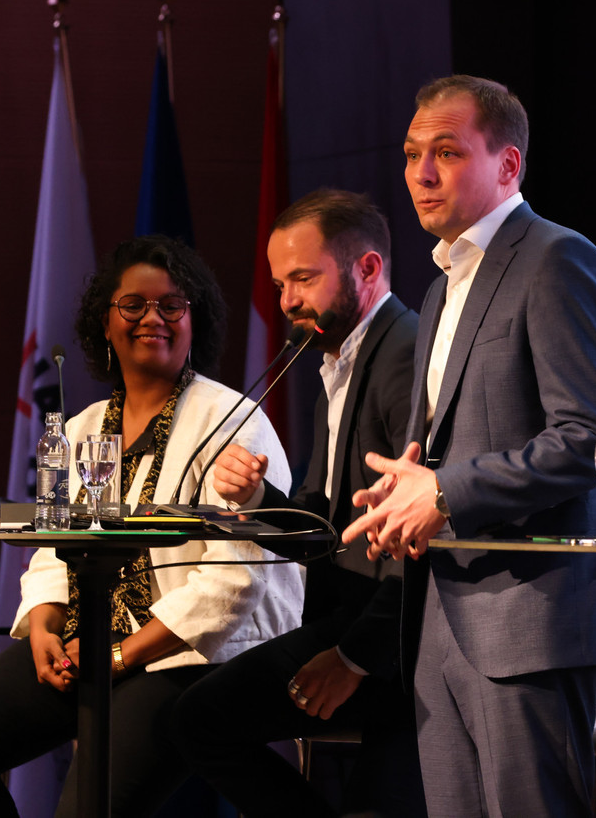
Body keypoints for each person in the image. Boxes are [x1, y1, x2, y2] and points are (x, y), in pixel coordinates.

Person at [0, 235, 304, 817]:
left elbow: (233, 587)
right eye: (134, 305)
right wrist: (43, 630)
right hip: (84, 638)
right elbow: (51, 550)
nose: (153, 319)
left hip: (188, 656)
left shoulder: (232, 420)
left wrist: (116, 657)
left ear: (195, 322)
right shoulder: (80, 429)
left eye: (172, 306)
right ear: (106, 322)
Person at [343, 75, 596, 817]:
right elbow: (452, 441)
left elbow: (593, 439)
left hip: (530, 618)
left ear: (508, 165)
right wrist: (408, 483)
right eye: (411, 154)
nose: (421, 173)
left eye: (446, 151)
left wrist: (444, 492)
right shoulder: (441, 285)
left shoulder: (559, 261)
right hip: (440, 610)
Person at [171, 190, 425, 817]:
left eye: (303, 279)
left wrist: (352, 658)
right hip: (352, 613)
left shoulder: (405, 358)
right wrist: (254, 501)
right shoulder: (335, 361)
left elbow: (419, 543)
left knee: (200, 719)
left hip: (394, 634)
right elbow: (324, 527)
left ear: (367, 269)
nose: (287, 302)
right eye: (281, 283)